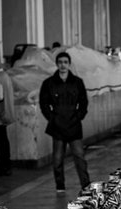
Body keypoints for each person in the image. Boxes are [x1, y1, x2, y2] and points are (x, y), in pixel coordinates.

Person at [38, 51, 90, 193]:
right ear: (56, 64)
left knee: (80, 157)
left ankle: (86, 185)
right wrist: (52, 118)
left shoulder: (77, 82)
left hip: (74, 125)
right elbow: (43, 103)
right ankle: (60, 186)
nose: (63, 65)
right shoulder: (48, 83)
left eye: (65, 62)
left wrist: (79, 116)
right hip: (57, 127)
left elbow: (84, 102)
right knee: (57, 159)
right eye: (60, 62)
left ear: (69, 64)